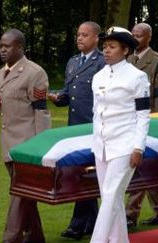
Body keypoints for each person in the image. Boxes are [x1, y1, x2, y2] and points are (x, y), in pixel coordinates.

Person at [90, 26, 150, 243]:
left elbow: (143, 115)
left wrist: (138, 147)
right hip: (101, 145)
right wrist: (96, 141)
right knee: (111, 198)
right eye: (105, 46)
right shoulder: (98, 77)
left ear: (125, 50)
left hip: (125, 144)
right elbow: (97, 112)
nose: (106, 51)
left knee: (110, 194)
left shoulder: (138, 77)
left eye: (112, 47)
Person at [48, 21, 105, 240]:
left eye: (84, 35)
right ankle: (92, 221)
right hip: (75, 126)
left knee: (85, 175)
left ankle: (78, 224)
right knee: (83, 174)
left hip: (92, 126)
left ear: (96, 38)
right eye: (78, 34)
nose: (79, 38)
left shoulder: (101, 62)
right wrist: (58, 97)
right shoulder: (73, 62)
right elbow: (68, 93)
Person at [0, 28, 51, 243]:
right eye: (1, 46)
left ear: (20, 47)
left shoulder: (35, 73)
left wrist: (42, 146)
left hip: (27, 144)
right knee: (26, 194)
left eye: (7, 46)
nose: (2, 50)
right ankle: (36, 236)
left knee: (18, 193)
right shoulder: (0, 74)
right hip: (8, 142)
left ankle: (11, 238)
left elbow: (41, 111)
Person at [125, 22, 158, 228]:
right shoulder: (126, 59)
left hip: (149, 119)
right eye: (133, 35)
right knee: (146, 169)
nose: (135, 38)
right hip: (128, 120)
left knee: (140, 167)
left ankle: (130, 214)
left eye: (140, 35)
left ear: (149, 37)